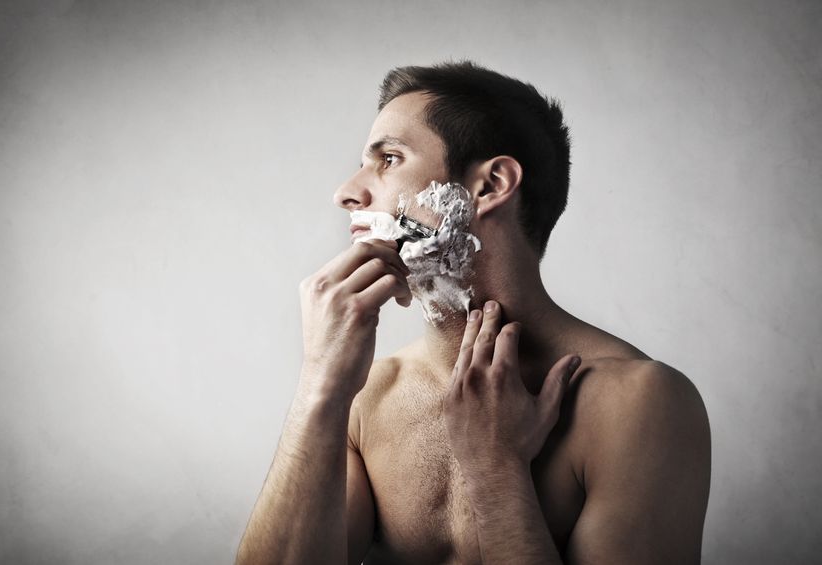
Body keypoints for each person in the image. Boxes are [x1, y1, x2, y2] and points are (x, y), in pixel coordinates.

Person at [236, 61, 711, 564]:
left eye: (389, 159)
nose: (346, 193)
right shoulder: (364, 399)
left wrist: (497, 474)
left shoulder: (638, 403)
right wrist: (320, 384)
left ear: (490, 186)